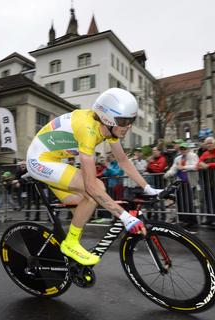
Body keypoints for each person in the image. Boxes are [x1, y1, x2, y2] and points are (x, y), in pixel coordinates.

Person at [26, 88, 162, 266]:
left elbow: (123, 161)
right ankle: (71, 244)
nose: (128, 126)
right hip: (40, 160)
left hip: (54, 160)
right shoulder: (88, 130)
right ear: (107, 118)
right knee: (94, 190)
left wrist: (147, 188)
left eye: (131, 120)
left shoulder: (109, 129)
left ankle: (69, 256)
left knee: (83, 206)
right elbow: (91, 185)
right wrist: (125, 217)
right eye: (124, 121)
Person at [164, 142, 199, 232]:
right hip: (180, 183)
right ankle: (184, 220)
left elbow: (195, 166)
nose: (183, 150)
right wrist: (167, 174)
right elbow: (173, 169)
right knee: (181, 202)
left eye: (184, 149)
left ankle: (192, 222)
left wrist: (183, 167)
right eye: (181, 149)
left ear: (187, 149)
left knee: (189, 203)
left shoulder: (193, 155)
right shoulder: (178, 158)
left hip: (189, 182)